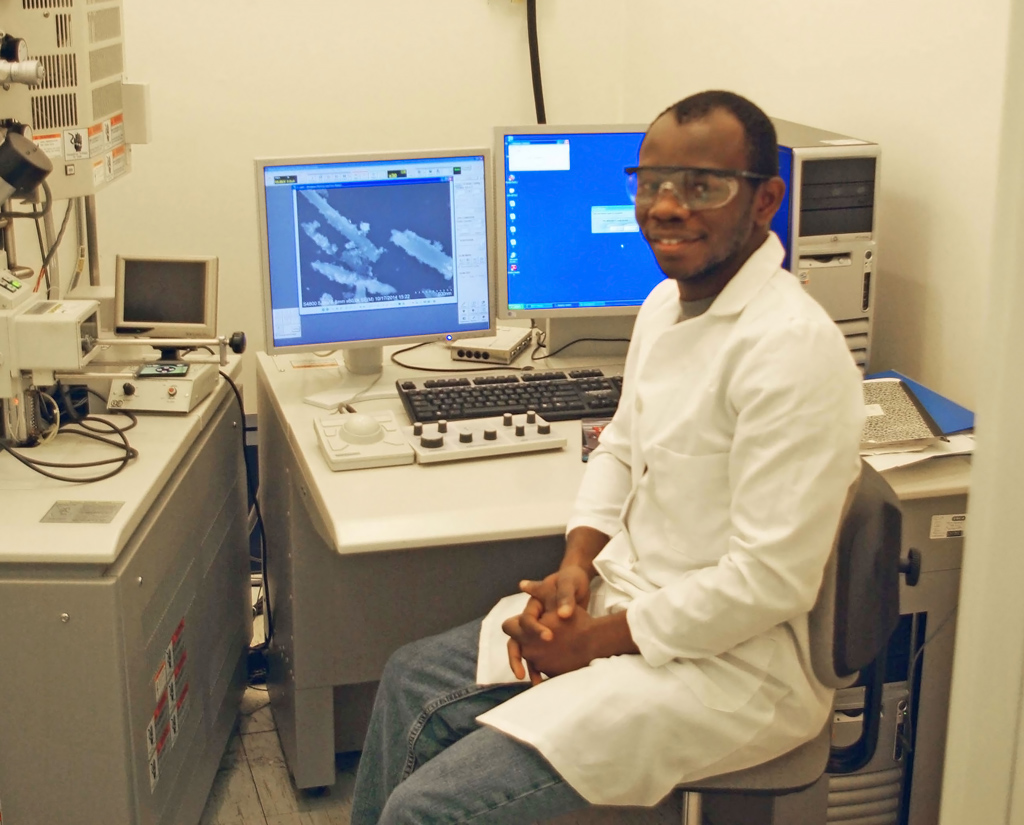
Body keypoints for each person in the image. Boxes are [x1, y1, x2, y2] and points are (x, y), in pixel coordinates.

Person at [351, 90, 866, 824]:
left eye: (702, 186)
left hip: (727, 668)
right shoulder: (666, 304)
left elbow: (766, 583)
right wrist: (575, 565)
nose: (665, 206)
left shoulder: (790, 352)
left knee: (429, 808)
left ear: (764, 201)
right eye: (651, 183)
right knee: (410, 679)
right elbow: (622, 447)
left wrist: (595, 641)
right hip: (625, 599)